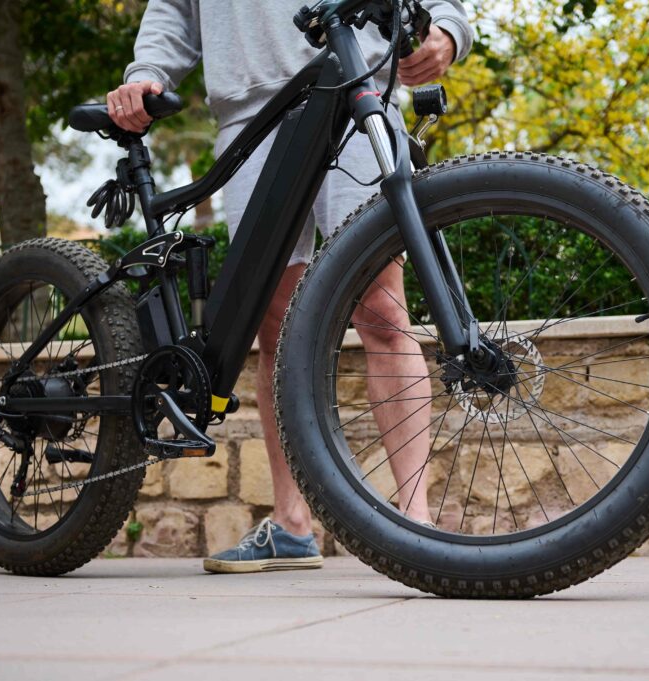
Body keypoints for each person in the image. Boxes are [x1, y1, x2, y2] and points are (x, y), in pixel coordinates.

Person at [108, 1, 474, 573]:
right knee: (274, 328)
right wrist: (147, 71)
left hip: (357, 91)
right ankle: (290, 524)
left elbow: (443, 11)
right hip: (249, 113)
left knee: (382, 313)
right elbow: (174, 9)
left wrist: (448, 29)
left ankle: (416, 521)